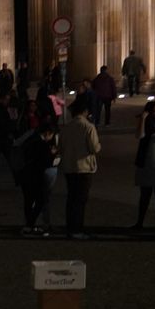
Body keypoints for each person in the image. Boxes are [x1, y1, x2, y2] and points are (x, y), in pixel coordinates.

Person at [57, 97, 101, 238]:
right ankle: (77, 229)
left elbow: (60, 147)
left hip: (69, 166)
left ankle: (70, 226)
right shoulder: (88, 127)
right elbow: (94, 148)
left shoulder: (66, 128)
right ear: (85, 111)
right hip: (84, 167)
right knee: (81, 200)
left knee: (71, 199)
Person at [16, 120, 60, 236]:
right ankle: (30, 225)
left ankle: (28, 225)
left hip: (25, 174)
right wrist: (52, 154)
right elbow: (46, 162)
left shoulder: (30, 140)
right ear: (48, 133)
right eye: (51, 135)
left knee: (29, 201)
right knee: (41, 200)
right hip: (36, 176)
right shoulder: (42, 144)